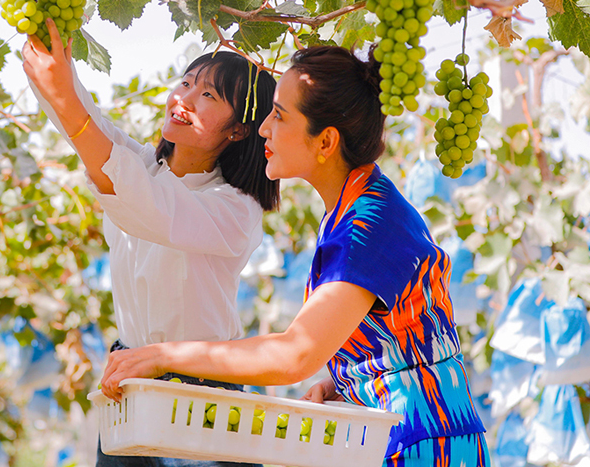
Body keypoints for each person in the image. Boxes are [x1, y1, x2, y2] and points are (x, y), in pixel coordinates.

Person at [100, 45, 488, 467]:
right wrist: (349, 381)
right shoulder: (357, 207)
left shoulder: (367, 227)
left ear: (326, 141)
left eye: (279, 115)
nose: (264, 127)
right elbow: (403, 331)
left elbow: (294, 355)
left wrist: (162, 356)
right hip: (404, 435)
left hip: (421, 446)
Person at [22, 20, 279, 467]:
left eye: (209, 95)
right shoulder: (143, 165)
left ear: (238, 130)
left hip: (200, 395)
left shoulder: (235, 209)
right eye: (186, 83)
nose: (185, 99)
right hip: (128, 385)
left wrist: (64, 96)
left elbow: (146, 205)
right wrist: (49, 32)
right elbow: (82, 120)